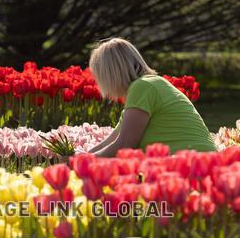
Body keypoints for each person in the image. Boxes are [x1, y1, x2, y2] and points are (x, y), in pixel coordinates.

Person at [85, 38, 216, 157]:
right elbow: (112, 140)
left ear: (111, 74)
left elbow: (124, 145)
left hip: (189, 162)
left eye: (99, 76)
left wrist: (82, 162)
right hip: (199, 159)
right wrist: (78, 158)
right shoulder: (149, 84)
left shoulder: (142, 87)